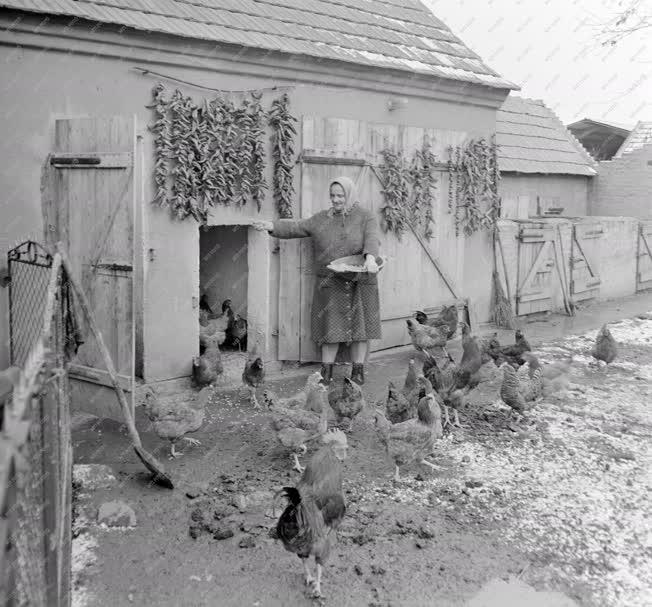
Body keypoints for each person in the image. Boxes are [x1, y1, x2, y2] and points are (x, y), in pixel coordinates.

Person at [252, 176, 382, 385]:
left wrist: (370, 258)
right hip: (331, 281)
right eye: (332, 195)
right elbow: (297, 227)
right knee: (330, 329)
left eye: (340, 195)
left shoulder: (365, 217)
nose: (336, 200)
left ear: (350, 195)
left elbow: (372, 239)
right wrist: (271, 226)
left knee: (361, 328)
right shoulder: (321, 219)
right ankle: (326, 372)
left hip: (360, 279)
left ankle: (358, 371)